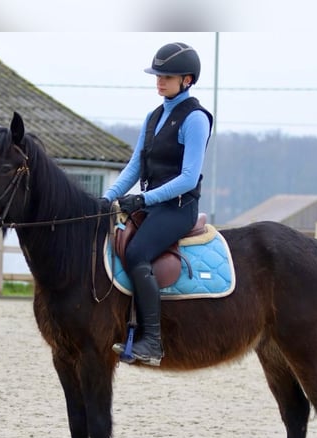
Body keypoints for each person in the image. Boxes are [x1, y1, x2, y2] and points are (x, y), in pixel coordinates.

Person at [100, 42, 213, 366]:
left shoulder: (195, 119)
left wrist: (144, 197)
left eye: (167, 76)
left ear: (187, 80)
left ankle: (152, 341)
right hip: (151, 205)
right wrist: (106, 198)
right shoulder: (153, 117)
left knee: (137, 252)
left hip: (178, 208)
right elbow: (135, 166)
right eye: (158, 75)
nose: (160, 81)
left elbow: (189, 177)